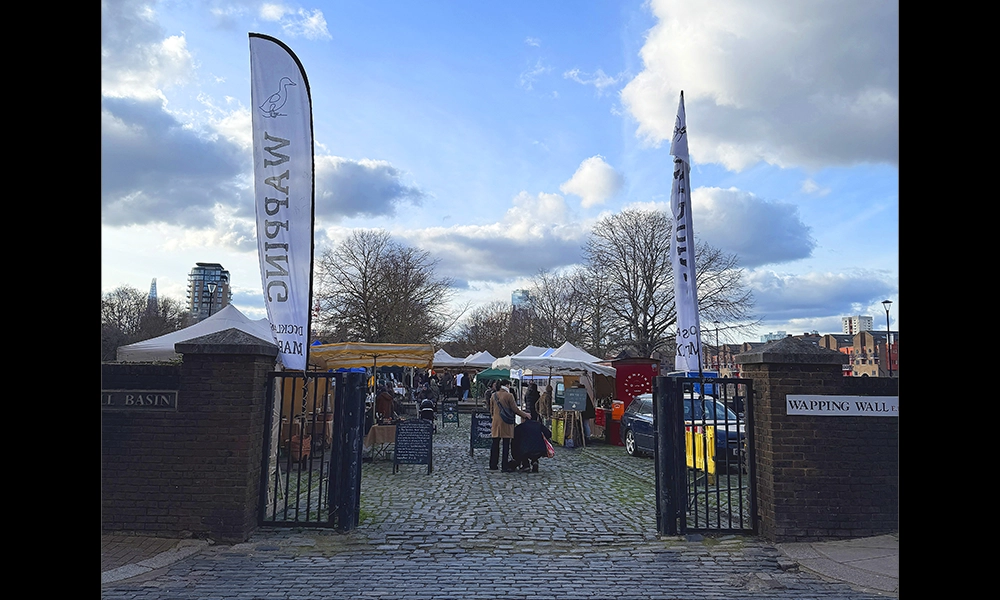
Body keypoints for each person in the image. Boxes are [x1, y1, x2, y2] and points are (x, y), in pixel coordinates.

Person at [489, 380, 531, 472]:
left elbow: (491, 410)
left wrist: (495, 418)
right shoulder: (509, 395)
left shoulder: (494, 395)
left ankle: (493, 464)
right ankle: (504, 466)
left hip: (496, 423)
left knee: (495, 444)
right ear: (506, 385)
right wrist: (525, 415)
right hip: (506, 423)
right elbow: (515, 409)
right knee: (505, 445)